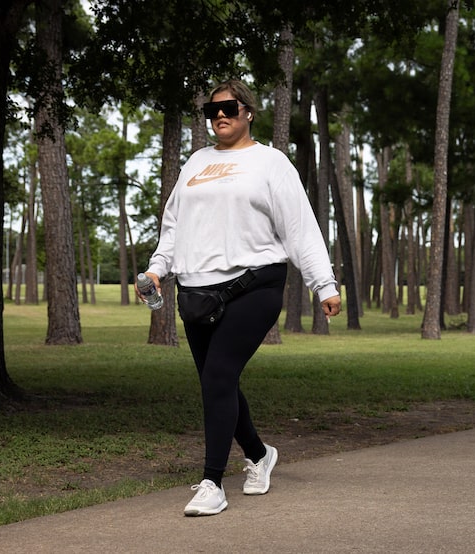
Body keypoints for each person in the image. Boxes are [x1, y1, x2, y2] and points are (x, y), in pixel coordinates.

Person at [139, 78, 341, 517]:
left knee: (217, 378)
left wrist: (323, 283)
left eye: (229, 108)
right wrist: (157, 268)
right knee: (219, 380)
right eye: (212, 111)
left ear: (249, 111)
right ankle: (259, 454)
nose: (221, 117)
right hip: (197, 291)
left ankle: (212, 481)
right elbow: (173, 224)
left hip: (256, 284)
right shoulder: (195, 162)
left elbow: (299, 225)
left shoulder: (270, 162)